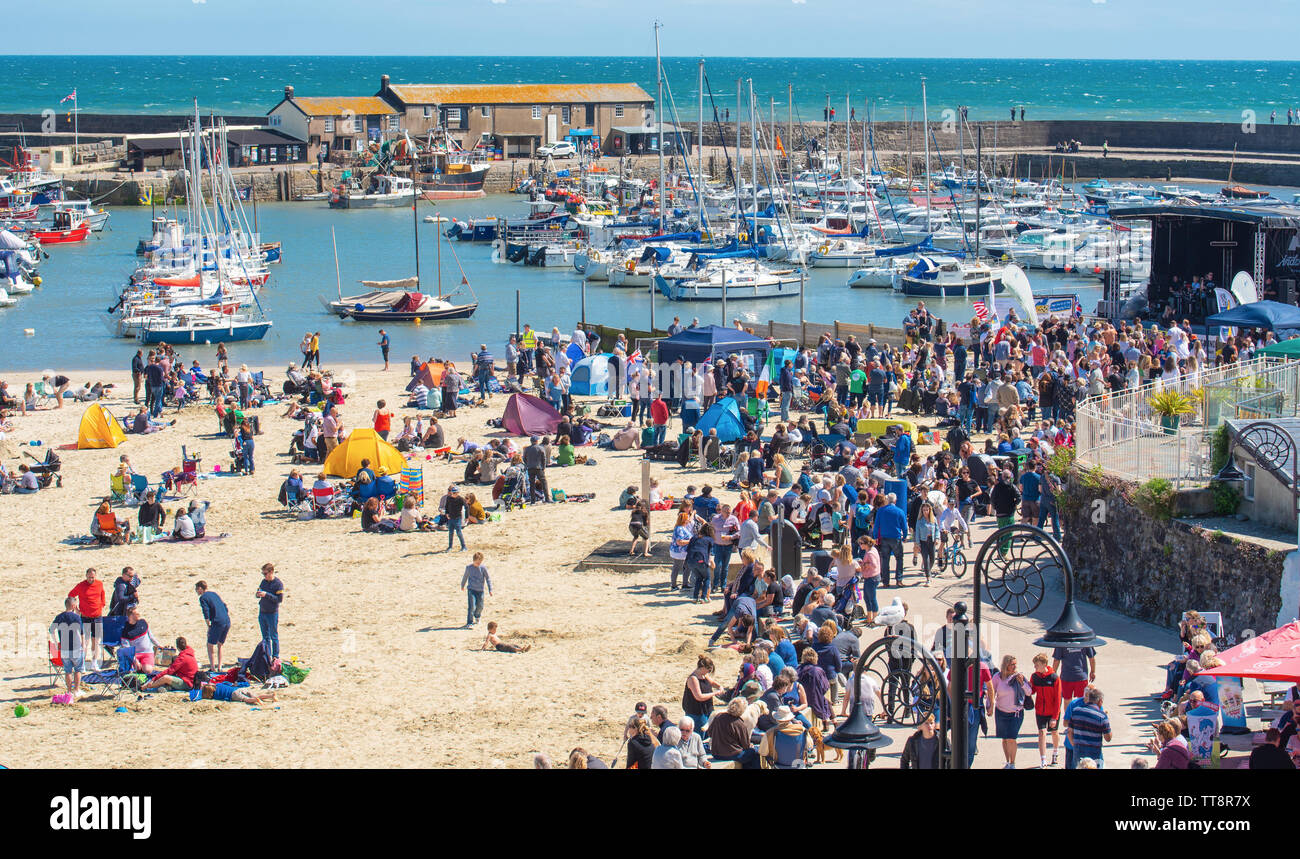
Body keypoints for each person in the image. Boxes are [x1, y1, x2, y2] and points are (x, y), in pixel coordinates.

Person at [1064, 686, 1112, 768]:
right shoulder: (1102, 716)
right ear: (1100, 701)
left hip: (1078, 751)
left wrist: (1075, 745)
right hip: (1095, 753)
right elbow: (1108, 738)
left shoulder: (1076, 711)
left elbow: (1069, 731)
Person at [68, 567, 106, 671]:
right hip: (85, 617)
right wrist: (76, 608)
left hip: (97, 617)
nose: (91, 579)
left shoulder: (99, 584)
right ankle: (82, 664)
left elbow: (103, 595)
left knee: (96, 641)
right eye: (89, 577)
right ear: (86, 576)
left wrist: (102, 605)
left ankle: (94, 663)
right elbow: (71, 595)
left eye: (93, 577)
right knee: (85, 641)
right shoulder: (81, 585)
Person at [1029, 653, 1063, 768]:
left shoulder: (1054, 678)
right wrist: (1025, 685)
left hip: (1052, 711)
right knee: (1042, 733)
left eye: (1037, 665)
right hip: (1040, 711)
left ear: (1044, 664)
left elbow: (1058, 699)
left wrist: (1055, 717)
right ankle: (1043, 759)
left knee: (1054, 732)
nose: (1035, 667)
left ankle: (1055, 752)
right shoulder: (1035, 677)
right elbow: (1032, 691)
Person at [708, 696, 759, 768]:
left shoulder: (718, 717)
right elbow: (745, 745)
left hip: (716, 753)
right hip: (732, 754)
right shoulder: (739, 723)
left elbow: (710, 733)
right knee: (755, 753)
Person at [50, 597, 85, 699]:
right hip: (75, 647)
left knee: (68, 671)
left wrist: (56, 643)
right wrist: (83, 645)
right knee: (78, 669)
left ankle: (69, 691)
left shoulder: (59, 617)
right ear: (74, 606)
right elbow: (82, 633)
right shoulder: (76, 617)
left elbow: (51, 630)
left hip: (64, 647)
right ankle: (76, 690)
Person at [682, 654, 724, 729]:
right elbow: (699, 696)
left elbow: (712, 683)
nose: (709, 672)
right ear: (703, 668)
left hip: (707, 708)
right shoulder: (693, 679)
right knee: (700, 732)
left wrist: (719, 686)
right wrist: (715, 693)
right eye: (709, 670)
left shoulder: (704, 675)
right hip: (697, 712)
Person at [195, 581, 230, 671]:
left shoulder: (203, 597)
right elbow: (225, 606)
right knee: (220, 644)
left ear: (200, 588)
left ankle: (212, 667)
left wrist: (209, 626)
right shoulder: (214, 594)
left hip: (218, 622)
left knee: (210, 645)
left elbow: (206, 612)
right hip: (226, 620)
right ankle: (220, 666)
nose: (196, 591)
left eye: (196, 589)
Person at [256, 563, 284, 659]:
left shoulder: (278, 584)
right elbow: (259, 592)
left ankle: (275, 656)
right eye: (263, 574)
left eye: (265, 573)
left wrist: (266, 595)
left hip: (272, 613)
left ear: (271, 572)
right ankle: (267, 655)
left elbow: (279, 599)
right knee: (265, 637)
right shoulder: (263, 582)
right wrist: (258, 594)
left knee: (273, 636)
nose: (264, 576)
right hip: (262, 612)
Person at [461, 551, 491, 628]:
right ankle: (469, 622)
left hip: (480, 590)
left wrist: (490, 589)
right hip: (471, 589)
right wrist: (462, 585)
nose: (478, 564)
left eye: (479, 562)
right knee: (472, 606)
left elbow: (488, 578)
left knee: (480, 606)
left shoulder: (483, 568)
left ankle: (477, 616)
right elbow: (465, 577)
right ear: (473, 560)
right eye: (477, 562)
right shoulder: (469, 568)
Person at [444, 484, 467, 551]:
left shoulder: (461, 499)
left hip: (457, 518)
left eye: (454, 493)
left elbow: (466, 507)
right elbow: (447, 506)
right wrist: (447, 513)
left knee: (459, 532)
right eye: (452, 492)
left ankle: (463, 546)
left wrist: (466, 516)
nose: (453, 494)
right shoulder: (449, 498)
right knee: (450, 532)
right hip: (450, 518)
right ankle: (450, 547)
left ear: (457, 493)